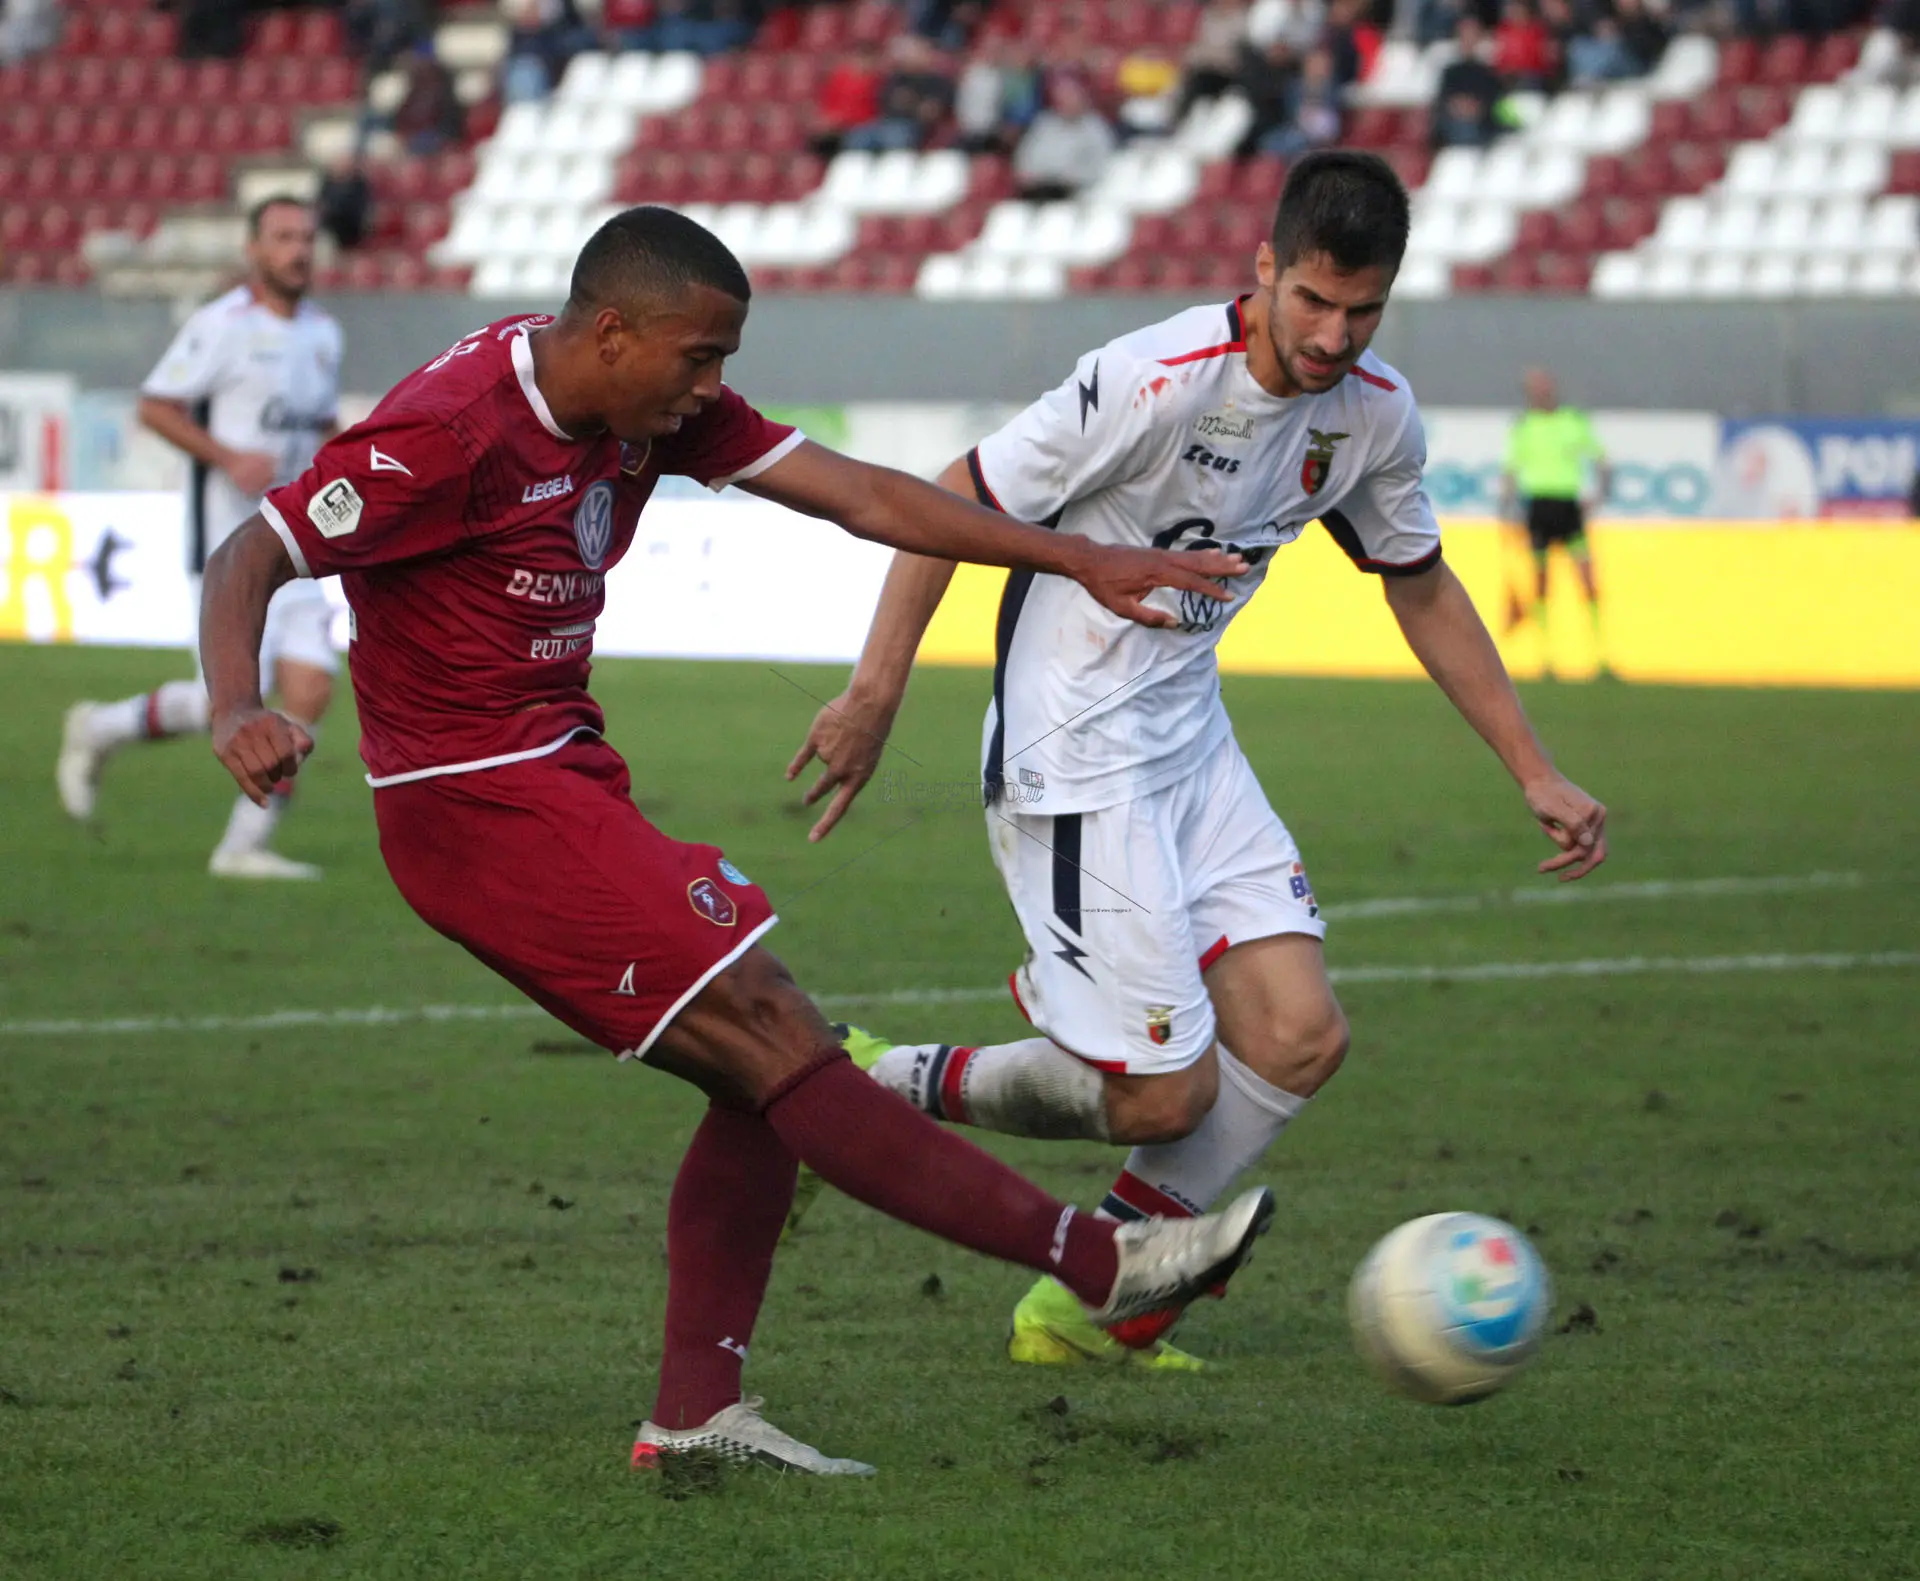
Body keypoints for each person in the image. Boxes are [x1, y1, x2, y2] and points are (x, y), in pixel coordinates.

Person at [197, 205, 1275, 1473]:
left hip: (560, 776)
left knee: (757, 1082)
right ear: (612, 334)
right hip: (473, 804)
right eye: (697, 360)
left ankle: (697, 1419)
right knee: (775, 1035)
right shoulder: (447, 432)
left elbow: (868, 497)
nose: (714, 388)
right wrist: (235, 704)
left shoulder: (647, 402)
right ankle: (1108, 1265)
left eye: (720, 362)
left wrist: (1076, 558)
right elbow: (251, 552)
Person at [784, 152, 1609, 1370]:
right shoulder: (1154, 381)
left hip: (1191, 748)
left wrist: (1532, 766)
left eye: (1362, 309)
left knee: (1295, 1039)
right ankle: (862, 1086)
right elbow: (953, 495)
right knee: (1166, 1096)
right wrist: (875, 689)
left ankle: (1083, 1312)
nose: (1333, 335)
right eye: (1314, 300)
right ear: (1265, 268)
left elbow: (1419, 581)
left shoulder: (1373, 414)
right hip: (1074, 759)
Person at [58, 197, 343, 880]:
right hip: (228, 544)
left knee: (309, 686)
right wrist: (226, 456)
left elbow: (321, 425)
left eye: (305, 237)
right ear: (254, 249)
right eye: (281, 237)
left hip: (299, 541)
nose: (297, 250)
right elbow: (156, 405)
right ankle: (100, 727)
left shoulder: (325, 333)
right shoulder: (222, 326)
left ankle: (243, 846)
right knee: (227, 694)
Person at [1498, 365, 1610, 675]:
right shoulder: (1524, 426)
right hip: (1538, 507)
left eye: (1544, 386)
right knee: (1541, 582)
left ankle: (1600, 655)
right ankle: (1546, 658)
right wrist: (1505, 513)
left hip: (1568, 506)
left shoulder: (1572, 420)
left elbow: (1602, 460)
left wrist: (1599, 496)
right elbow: (1510, 471)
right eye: (1535, 387)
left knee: (1587, 579)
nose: (1541, 392)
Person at [1011, 73, 1118, 203]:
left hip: (1076, 192)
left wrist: (1068, 178)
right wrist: (1031, 175)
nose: (1066, 103)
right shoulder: (1044, 124)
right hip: (1038, 189)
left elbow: (1103, 166)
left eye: (1071, 98)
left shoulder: (1097, 129)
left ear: (1083, 99)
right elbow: (1025, 157)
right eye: (1061, 99)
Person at [1431, 15, 1505, 149]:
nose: (1468, 39)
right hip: (1453, 121)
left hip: (1480, 122)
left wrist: (1475, 108)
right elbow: (1443, 99)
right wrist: (1460, 107)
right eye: (1465, 35)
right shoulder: (1450, 71)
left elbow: (1492, 100)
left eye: (1472, 35)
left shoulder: (1488, 72)